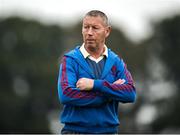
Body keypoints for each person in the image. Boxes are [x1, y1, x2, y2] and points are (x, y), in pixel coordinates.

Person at [57, 10, 136, 134]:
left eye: (95, 28)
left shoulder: (116, 61)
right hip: (75, 132)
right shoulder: (70, 59)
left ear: (107, 31)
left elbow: (130, 93)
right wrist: (110, 93)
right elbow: (67, 95)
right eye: (86, 27)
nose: (89, 32)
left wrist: (95, 85)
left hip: (108, 132)